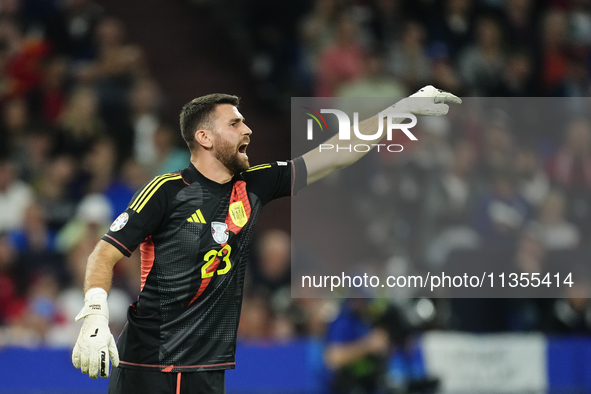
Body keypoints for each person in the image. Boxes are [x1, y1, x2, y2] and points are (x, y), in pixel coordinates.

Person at [71, 86, 461, 393]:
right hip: (149, 362)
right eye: (235, 124)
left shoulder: (254, 184)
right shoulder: (167, 190)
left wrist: (397, 113)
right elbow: (103, 256)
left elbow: (336, 153)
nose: (248, 130)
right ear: (204, 137)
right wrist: (94, 315)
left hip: (208, 367)